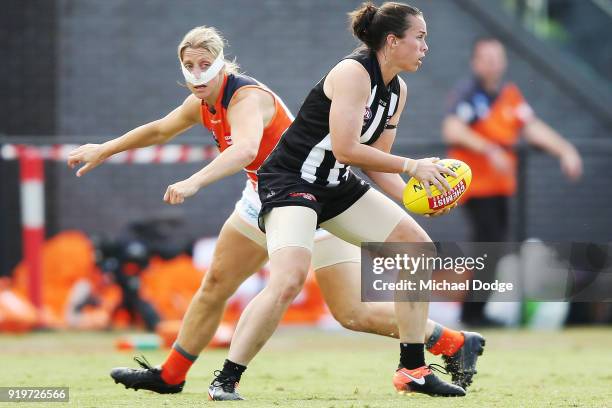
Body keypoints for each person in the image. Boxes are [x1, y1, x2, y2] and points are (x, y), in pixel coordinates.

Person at [67, 24, 482, 400]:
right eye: (188, 65)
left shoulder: (248, 97)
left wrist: (195, 181)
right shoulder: (203, 101)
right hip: (273, 192)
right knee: (217, 283)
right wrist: (104, 148)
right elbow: (159, 129)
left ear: (222, 64)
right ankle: (174, 375)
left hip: (316, 189)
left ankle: (436, 351)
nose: (196, 73)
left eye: (204, 64)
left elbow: (248, 149)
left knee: (352, 309)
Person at [205, 2, 477, 400]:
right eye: (419, 37)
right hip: (290, 181)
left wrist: (415, 198)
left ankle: (413, 369)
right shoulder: (352, 73)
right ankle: (225, 380)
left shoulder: (397, 90)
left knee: (417, 249)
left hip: (336, 187)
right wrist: (413, 166)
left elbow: (378, 161)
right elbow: (349, 148)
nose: (425, 47)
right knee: (289, 279)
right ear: (391, 40)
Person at [442, 36, 583, 327]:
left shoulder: (509, 95)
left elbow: (531, 128)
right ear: (476, 62)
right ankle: (473, 314)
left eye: (498, 57)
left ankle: (475, 313)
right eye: (487, 58)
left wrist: (565, 150)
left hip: (500, 188)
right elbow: (452, 129)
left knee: (493, 249)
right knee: (488, 247)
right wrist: (489, 148)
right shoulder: (470, 93)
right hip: (475, 188)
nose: (493, 63)